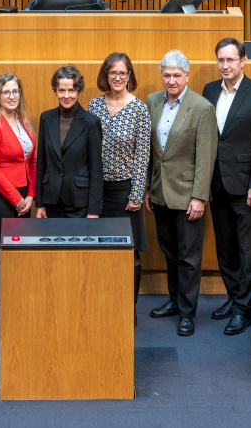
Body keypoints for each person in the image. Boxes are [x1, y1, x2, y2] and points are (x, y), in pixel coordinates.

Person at [202, 38, 251, 335]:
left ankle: (245, 308)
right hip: (217, 184)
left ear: (243, 60)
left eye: (231, 60)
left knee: (248, 250)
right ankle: (234, 297)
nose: (225, 65)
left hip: (248, 187)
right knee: (226, 248)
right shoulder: (209, 90)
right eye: (221, 60)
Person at [144, 50, 217, 337]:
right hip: (161, 193)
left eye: (177, 75)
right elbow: (151, 152)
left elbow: (205, 157)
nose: (171, 80)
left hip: (188, 196)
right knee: (170, 252)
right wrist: (149, 188)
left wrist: (199, 197)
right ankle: (174, 301)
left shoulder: (201, 108)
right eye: (167, 75)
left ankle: (187, 313)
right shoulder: (151, 101)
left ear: (187, 76)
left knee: (188, 258)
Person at [88, 53, 150, 325]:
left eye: (122, 73)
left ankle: (129, 306)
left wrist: (137, 195)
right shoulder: (94, 105)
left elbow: (142, 156)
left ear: (129, 76)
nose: (117, 77)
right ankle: (104, 302)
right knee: (99, 252)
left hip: (125, 192)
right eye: (112, 72)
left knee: (129, 253)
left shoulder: (139, 109)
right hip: (97, 192)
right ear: (105, 74)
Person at [0, 74, 37, 338]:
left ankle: (15, 310)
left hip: (25, 199)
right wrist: (17, 200)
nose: (12, 96)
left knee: (19, 257)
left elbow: (32, 162)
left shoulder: (24, 121)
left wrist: (31, 197)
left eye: (15, 91)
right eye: (6, 92)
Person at [35, 65, 103, 218]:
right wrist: (39, 204)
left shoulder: (91, 122)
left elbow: (96, 170)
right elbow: (41, 164)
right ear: (55, 91)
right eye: (61, 90)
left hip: (79, 203)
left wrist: (94, 210)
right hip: (51, 201)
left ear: (78, 91)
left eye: (71, 90)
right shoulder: (46, 118)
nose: (66, 95)